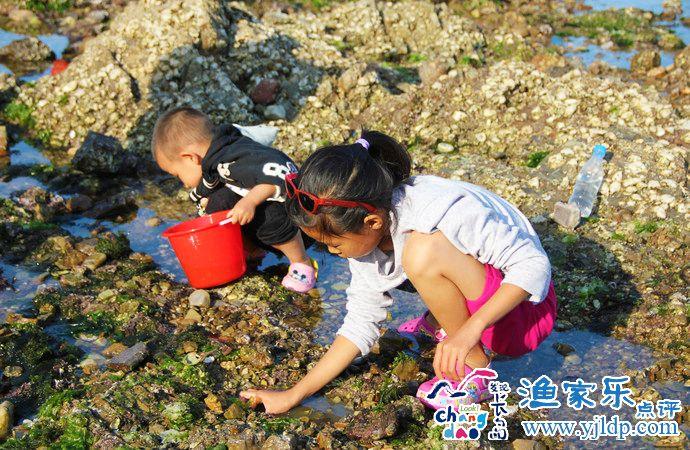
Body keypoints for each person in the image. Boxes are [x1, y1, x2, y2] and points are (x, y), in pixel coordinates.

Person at [240, 131, 557, 412]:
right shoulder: (372, 219)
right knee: (418, 255)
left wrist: (467, 333)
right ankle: (440, 321)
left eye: (334, 245)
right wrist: (293, 394)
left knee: (422, 253)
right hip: (486, 292)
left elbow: (534, 267)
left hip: (525, 317)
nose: (332, 253)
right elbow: (360, 324)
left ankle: (474, 367)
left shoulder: (441, 211)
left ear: (372, 222)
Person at [151, 106, 315, 293]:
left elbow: (279, 178)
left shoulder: (235, 159)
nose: (184, 184)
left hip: (300, 222)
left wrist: (249, 201)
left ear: (191, 158)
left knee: (267, 214)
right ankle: (252, 252)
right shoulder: (217, 155)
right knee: (219, 203)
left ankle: (302, 264)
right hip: (281, 224)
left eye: (178, 175)